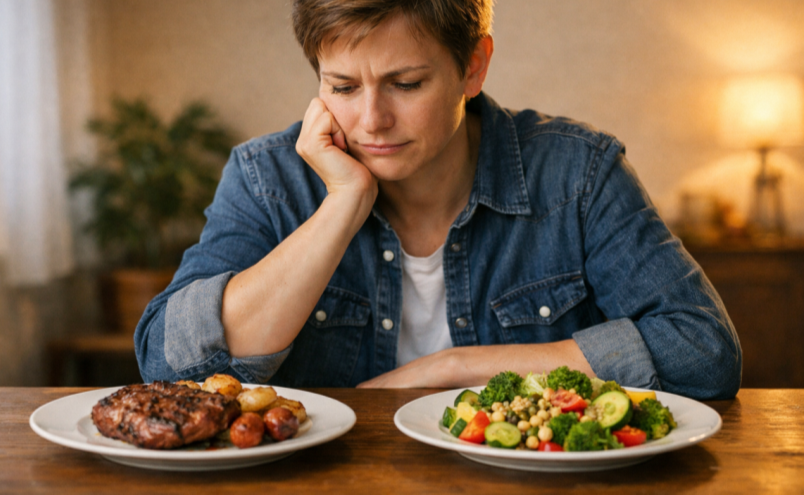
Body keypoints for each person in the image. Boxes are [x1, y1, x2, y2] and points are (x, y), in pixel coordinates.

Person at [135, 0, 742, 400]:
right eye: (342, 86)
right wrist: (342, 205)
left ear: (473, 67)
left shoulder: (577, 173)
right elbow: (169, 368)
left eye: (407, 84)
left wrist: (451, 370)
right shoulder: (267, 176)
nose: (371, 120)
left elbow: (702, 349)